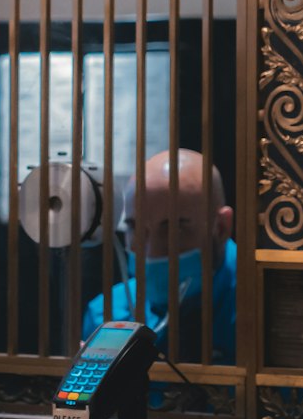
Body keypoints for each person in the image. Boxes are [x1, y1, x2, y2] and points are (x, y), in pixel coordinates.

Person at [83, 148, 236, 364]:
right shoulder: (108, 316)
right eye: (135, 228)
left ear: (220, 227)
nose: (151, 252)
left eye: (174, 229)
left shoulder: (267, 304)